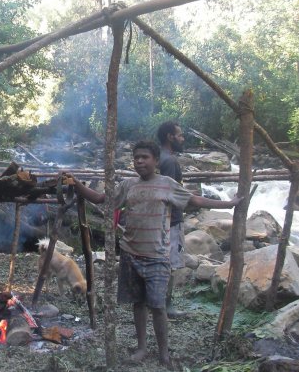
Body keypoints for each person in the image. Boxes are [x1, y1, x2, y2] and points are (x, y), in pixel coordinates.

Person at [71, 140, 241, 367]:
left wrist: (229, 204)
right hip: (130, 254)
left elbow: (194, 200)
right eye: (136, 157)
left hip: (157, 257)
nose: (139, 161)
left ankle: (164, 353)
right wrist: (74, 183)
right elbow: (101, 199)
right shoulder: (128, 185)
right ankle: (141, 348)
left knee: (158, 306)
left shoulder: (167, 184)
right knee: (138, 303)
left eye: (144, 157)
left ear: (156, 161)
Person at [157, 121, 187, 318]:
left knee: (162, 261)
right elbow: (170, 192)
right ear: (170, 136)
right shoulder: (170, 161)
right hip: (171, 219)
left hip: (162, 218)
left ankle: (160, 302)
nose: (182, 139)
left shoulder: (160, 156)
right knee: (170, 264)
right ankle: (166, 305)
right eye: (179, 135)